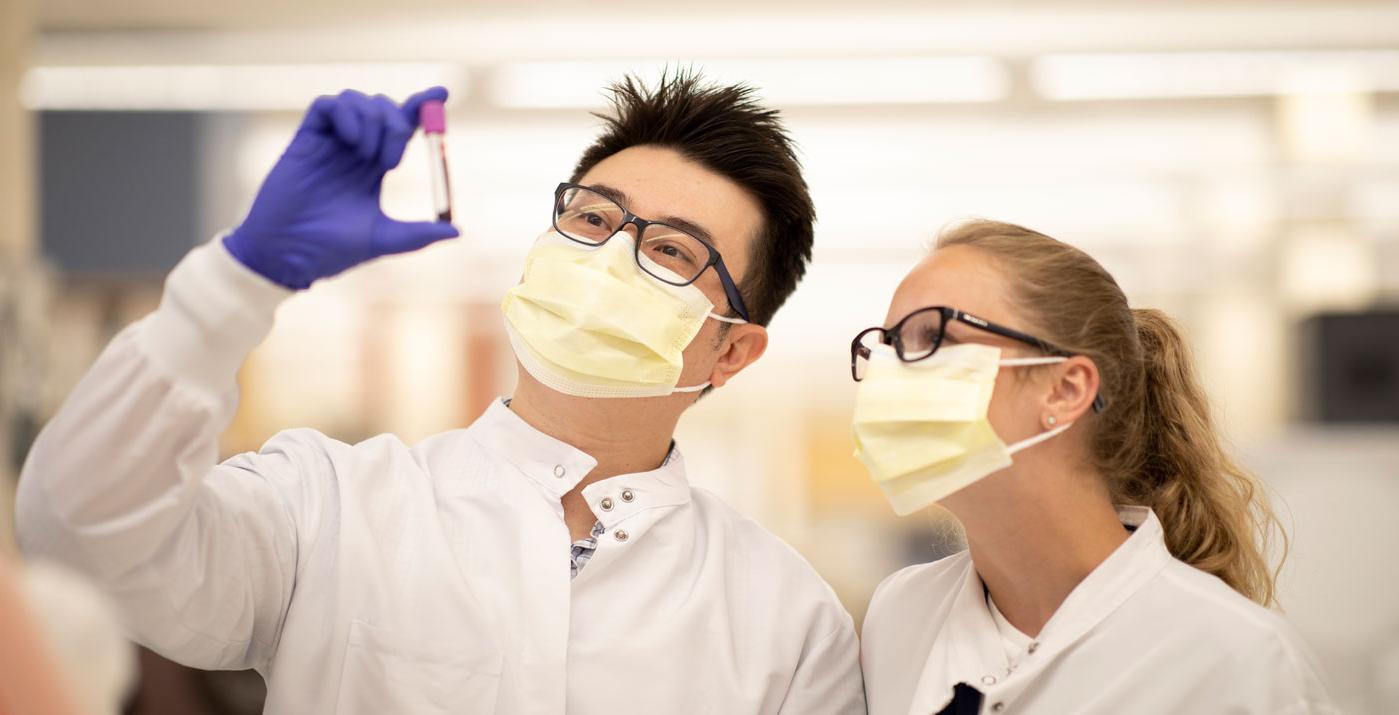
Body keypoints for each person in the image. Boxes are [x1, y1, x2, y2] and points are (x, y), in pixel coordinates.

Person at [16, 73, 865, 714]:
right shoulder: (329, 507)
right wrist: (240, 280)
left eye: (673, 251)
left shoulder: (785, 619)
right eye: (595, 219)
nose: (610, 260)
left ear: (730, 351)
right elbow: (78, 532)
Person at [851, 220, 1335, 714]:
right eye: (885, 345)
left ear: (1066, 389)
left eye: (932, 336)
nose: (890, 372)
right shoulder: (901, 616)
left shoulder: (1236, 659)